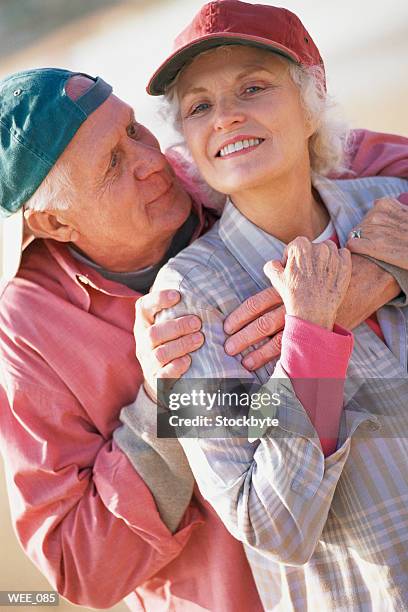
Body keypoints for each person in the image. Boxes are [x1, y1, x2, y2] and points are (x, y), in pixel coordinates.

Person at [0, 65, 407, 612]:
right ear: (54, 224)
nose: (153, 162)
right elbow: (80, 566)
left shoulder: (234, 160)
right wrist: (167, 406)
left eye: (134, 130)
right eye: (113, 165)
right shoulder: (28, 327)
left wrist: (377, 274)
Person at [136, 1, 408, 609]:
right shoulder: (178, 304)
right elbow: (266, 524)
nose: (226, 117)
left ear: (312, 102)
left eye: (253, 88)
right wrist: (310, 337)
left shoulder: (394, 206)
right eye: (199, 106)